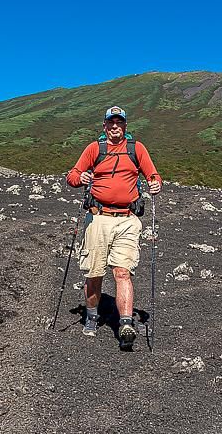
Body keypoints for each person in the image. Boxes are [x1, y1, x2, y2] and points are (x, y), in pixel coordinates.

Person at [65, 105, 163, 347]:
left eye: (119, 122)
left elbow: (153, 175)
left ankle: (126, 323)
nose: (115, 126)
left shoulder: (136, 149)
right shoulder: (93, 149)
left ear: (125, 126)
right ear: (105, 126)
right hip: (98, 218)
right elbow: (72, 176)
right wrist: (81, 178)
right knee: (94, 272)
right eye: (111, 122)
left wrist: (155, 183)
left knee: (123, 272)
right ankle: (91, 316)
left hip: (128, 220)